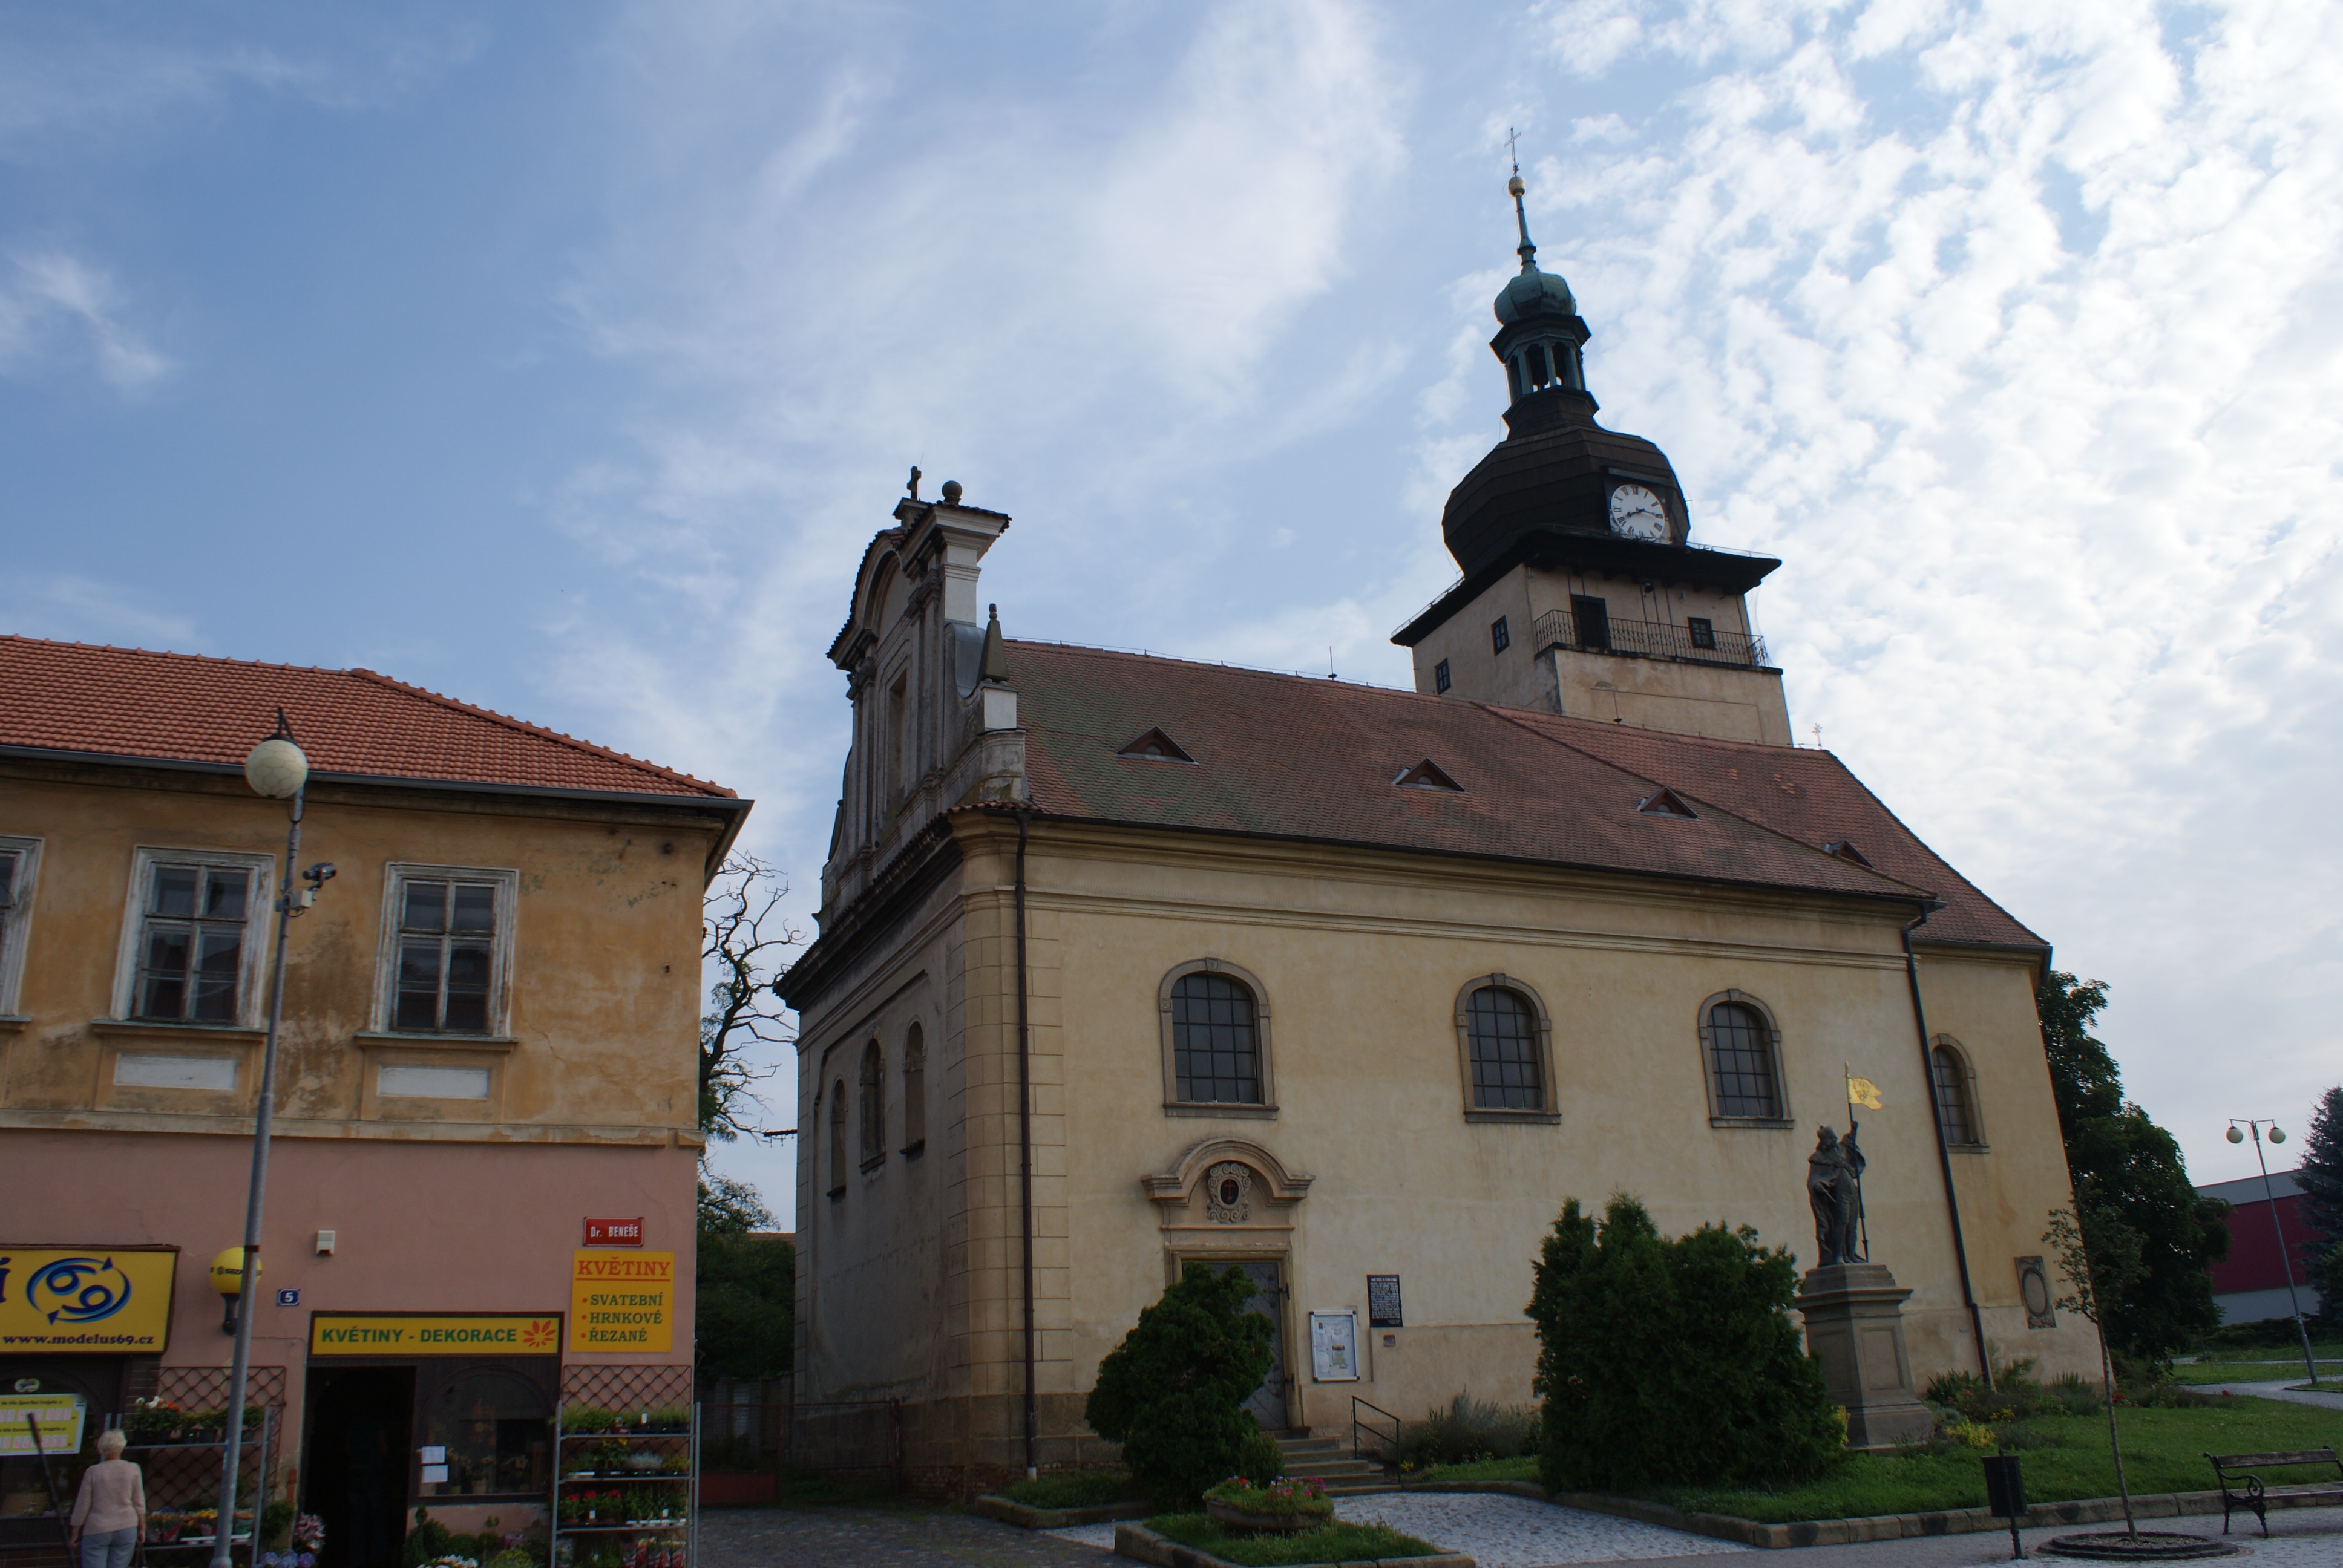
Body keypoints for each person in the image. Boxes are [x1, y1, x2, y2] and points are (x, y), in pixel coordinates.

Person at [68, 1428, 146, 1568]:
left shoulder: (93, 1472)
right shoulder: (133, 1469)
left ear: (101, 1447)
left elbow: (82, 1505)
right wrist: (142, 1528)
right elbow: (139, 1502)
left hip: (97, 1528)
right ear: (122, 1446)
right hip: (126, 1527)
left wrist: (74, 1534)